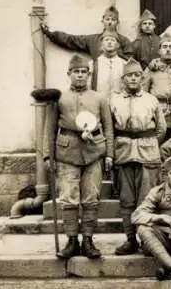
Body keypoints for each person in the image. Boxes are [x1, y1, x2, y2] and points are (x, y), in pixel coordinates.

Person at [43, 54, 114, 259]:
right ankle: (72, 241)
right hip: (67, 153)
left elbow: (108, 128)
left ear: (89, 75)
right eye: (76, 72)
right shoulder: (59, 99)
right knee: (69, 198)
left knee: (91, 197)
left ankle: (88, 241)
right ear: (69, 74)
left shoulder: (99, 98)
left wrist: (109, 154)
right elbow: (49, 129)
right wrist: (48, 156)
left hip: (94, 152)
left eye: (84, 72)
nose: (80, 76)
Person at [110, 58, 167, 255]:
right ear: (123, 79)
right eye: (129, 76)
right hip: (124, 154)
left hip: (148, 154)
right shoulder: (114, 100)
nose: (133, 79)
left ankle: (147, 240)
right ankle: (129, 239)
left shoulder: (151, 100)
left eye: (136, 75)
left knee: (147, 199)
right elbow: (110, 129)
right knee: (127, 200)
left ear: (142, 78)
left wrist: (148, 143)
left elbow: (161, 129)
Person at [41, 6, 132, 60]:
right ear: (102, 21)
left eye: (113, 19)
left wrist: (116, 53)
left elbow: (130, 60)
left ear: (117, 22)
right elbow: (71, 40)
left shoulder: (124, 41)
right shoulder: (93, 40)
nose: (110, 22)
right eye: (107, 19)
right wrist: (51, 34)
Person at [90, 30, 126, 95]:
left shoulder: (124, 64)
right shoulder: (93, 64)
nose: (109, 42)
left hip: (119, 102)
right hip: (99, 101)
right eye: (106, 40)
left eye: (112, 40)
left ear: (117, 45)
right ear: (102, 44)